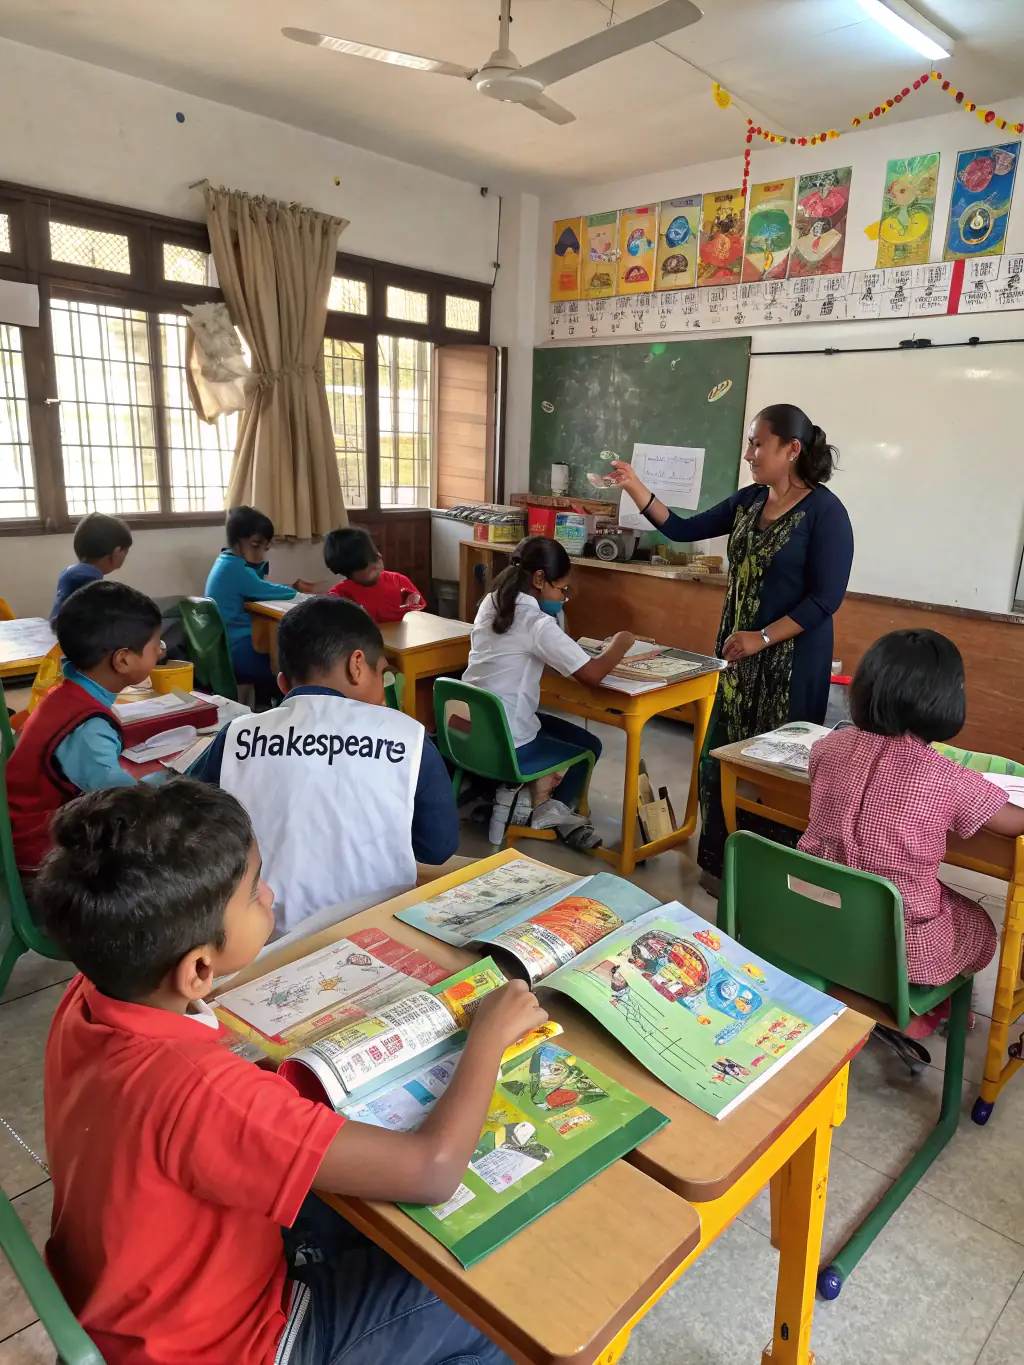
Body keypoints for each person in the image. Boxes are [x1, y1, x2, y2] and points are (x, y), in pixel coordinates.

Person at [37, 779, 540, 1365]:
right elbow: (433, 1171)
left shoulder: (88, 994)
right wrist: (486, 1038)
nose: (270, 893)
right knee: (498, 1301)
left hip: (135, 1312)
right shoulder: (204, 1094)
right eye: (254, 893)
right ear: (198, 969)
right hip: (239, 1346)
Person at [610, 403, 854, 885]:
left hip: (790, 665)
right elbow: (682, 529)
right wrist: (633, 484)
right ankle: (720, 865)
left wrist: (762, 637)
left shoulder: (826, 514)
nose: (749, 454)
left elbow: (826, 599)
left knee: (775, 772)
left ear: (791, 449)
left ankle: (768, 877)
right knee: (719, 758)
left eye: (758, 443)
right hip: (739, 661)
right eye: (750, 443)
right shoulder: (749, 502)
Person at [190, 595, 459, 937]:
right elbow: (438, 848)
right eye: (383, 674)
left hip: (259, 945)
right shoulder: (409, 738)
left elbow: (185, 824)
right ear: (357, 664)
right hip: (378, 936)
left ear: (283, 684)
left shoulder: (238, 736)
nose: (382, 693)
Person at [799, 630, 1024, 1036]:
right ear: (945, 701)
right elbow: (1013, 821)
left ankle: (853, 980)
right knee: (978, 925)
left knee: (866, 884)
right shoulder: (947, 777)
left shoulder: (826, 749)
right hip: (901, 947)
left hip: (816, 920)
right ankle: (922, 1004)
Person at [462, 535, 635, 850]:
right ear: (540, 579)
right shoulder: (537, 624)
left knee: (546, 725)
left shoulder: (492, 601)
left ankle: (533, 794)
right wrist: (621, 642)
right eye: (562, 589)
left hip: (472, 730)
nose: (564, 597)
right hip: (508, 741)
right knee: (589, 746)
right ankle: (544, 811)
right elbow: (593, 675)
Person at [8, 581, 165, 874]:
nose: (160, 653)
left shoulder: (64, 694)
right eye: (156, 647)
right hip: (35, 849)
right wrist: (164, 789)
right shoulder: (88, 726)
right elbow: (122, 797)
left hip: (25, 827)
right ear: (123, 659)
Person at [205, 506, 316, 688]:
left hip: (226, 649)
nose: (260, 553)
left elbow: (261, 588)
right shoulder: (235, 569)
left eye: (264, 547)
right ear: (237, 540)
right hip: (240, 651)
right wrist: (302, 594)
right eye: (255, 545)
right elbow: (269, 590)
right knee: (296, 666)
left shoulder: (224, 561)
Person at [324, 526, 426, 624]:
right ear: (346, 571)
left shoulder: (399, 581)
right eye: (366, 563)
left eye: (374, 554)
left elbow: (417, 615)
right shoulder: (340, 596)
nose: (378, 559)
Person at [51, 512, 133, 620]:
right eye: (125, 552)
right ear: (116, 552)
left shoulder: (73, 571)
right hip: (71, 632)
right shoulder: (88, 578)